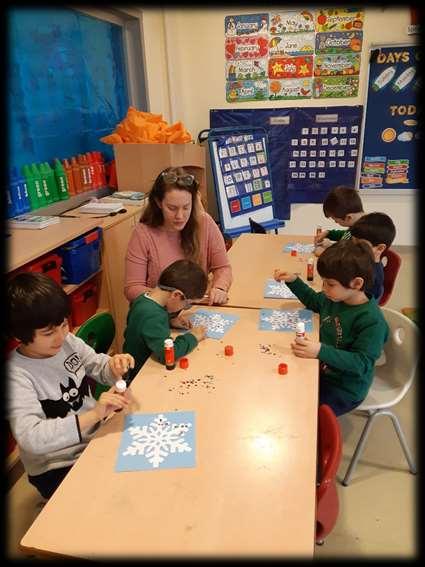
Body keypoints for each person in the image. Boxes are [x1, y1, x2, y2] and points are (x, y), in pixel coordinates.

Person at [6, 273, 135, 500]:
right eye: (49, 332)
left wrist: (113, 367)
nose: (61, 335)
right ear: (18, 335)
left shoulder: (67, 341)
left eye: (64, 324)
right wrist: (95, 414)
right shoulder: (16, 375)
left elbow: (98, 366)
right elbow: (31, 437)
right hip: (56, 464)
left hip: (93, 436)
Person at [274, 239, 389, 417]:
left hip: (345, 388)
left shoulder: (372, 322)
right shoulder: (336, 298)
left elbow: (362, 363)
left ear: (357, 284)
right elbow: (314, 301)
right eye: (324, 282)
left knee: (302, 413)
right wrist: (294, 281)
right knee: (283, 391)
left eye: (330, 284)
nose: (324, 288)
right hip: (323, 369)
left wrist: (320, 351)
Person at [125, 167, 232, 309]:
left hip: (197, 309)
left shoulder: (204, 223)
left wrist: (219, 288)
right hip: (160, 313)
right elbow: (132, 288)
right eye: (172, 208)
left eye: (186, 207)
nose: (180, 216)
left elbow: (222, 267)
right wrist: (167, 298)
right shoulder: (143, 233)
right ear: (158, 203)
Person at [123, 259, 208, 381]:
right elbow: (168, 355)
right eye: (187, 304)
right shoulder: (153, 316)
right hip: (140, 375)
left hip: (133, 365)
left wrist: (170, 321)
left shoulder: (144, 299)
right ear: (176, 295)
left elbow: (144, 325)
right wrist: (193, 337)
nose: (185, 307)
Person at [350, 212, 396, 304]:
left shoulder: (371, 275)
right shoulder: (363, 259)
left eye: (359, 244)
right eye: (352, 241)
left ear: (380, 248)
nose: (352, 247)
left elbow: (358, 304)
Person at [314, 186, 365, 256]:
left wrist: (326, 252)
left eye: (336, 220)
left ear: (348, 217)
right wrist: (329, 233)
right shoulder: (357, 225)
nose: (335, 222)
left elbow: (350, 259)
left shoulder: (364, 233)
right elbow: (347, 235)